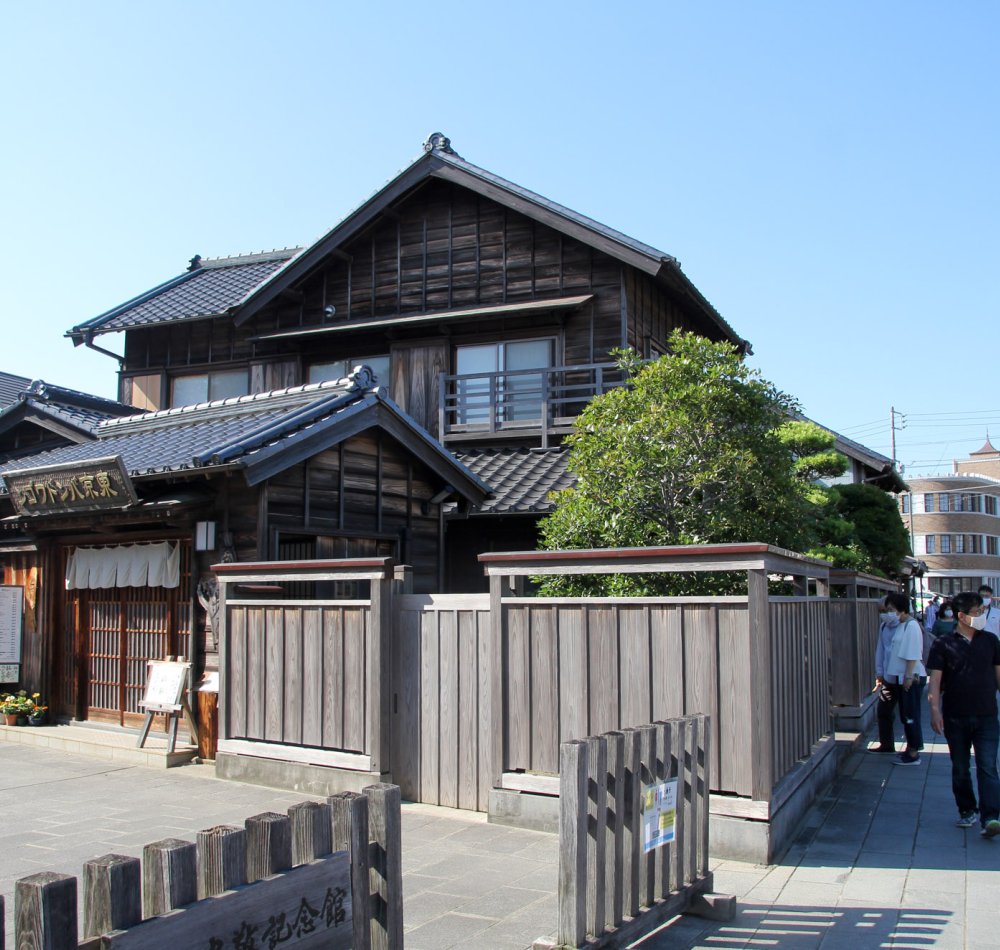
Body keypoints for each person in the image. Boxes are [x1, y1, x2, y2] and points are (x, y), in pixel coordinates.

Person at [927, 590, 1000, 837]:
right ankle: (967, 810)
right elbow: (935, 681)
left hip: (987, 714)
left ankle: (991, 817)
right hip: (956, 715)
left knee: (988, 766)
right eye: (977, 612)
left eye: (982, 611)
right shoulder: (943, 643)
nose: (981, 615)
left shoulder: (990, 641)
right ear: (961, 616)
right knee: (960, 766)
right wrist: (935, 711)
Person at [884, 592, 926, 765]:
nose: (888, 613)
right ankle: (910, 747)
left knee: (911, 714)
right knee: (906, 714)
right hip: (902, 677)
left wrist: (908, 676)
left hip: (911, 676)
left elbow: (913, 653)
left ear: (902, 609)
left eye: (891, 609)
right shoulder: (902, 625)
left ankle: (914, 752)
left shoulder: (912, 626)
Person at [870, 596, 901, 753]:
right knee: (883, 711)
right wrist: (879, 673)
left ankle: (913, 749)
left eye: (888, 610)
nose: (885, 614)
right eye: (882, 611)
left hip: (904, 678)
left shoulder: (908, 626)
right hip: (888, 677)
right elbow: (880, 651)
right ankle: (886, 744)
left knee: (909, 715)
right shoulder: (883, 627)